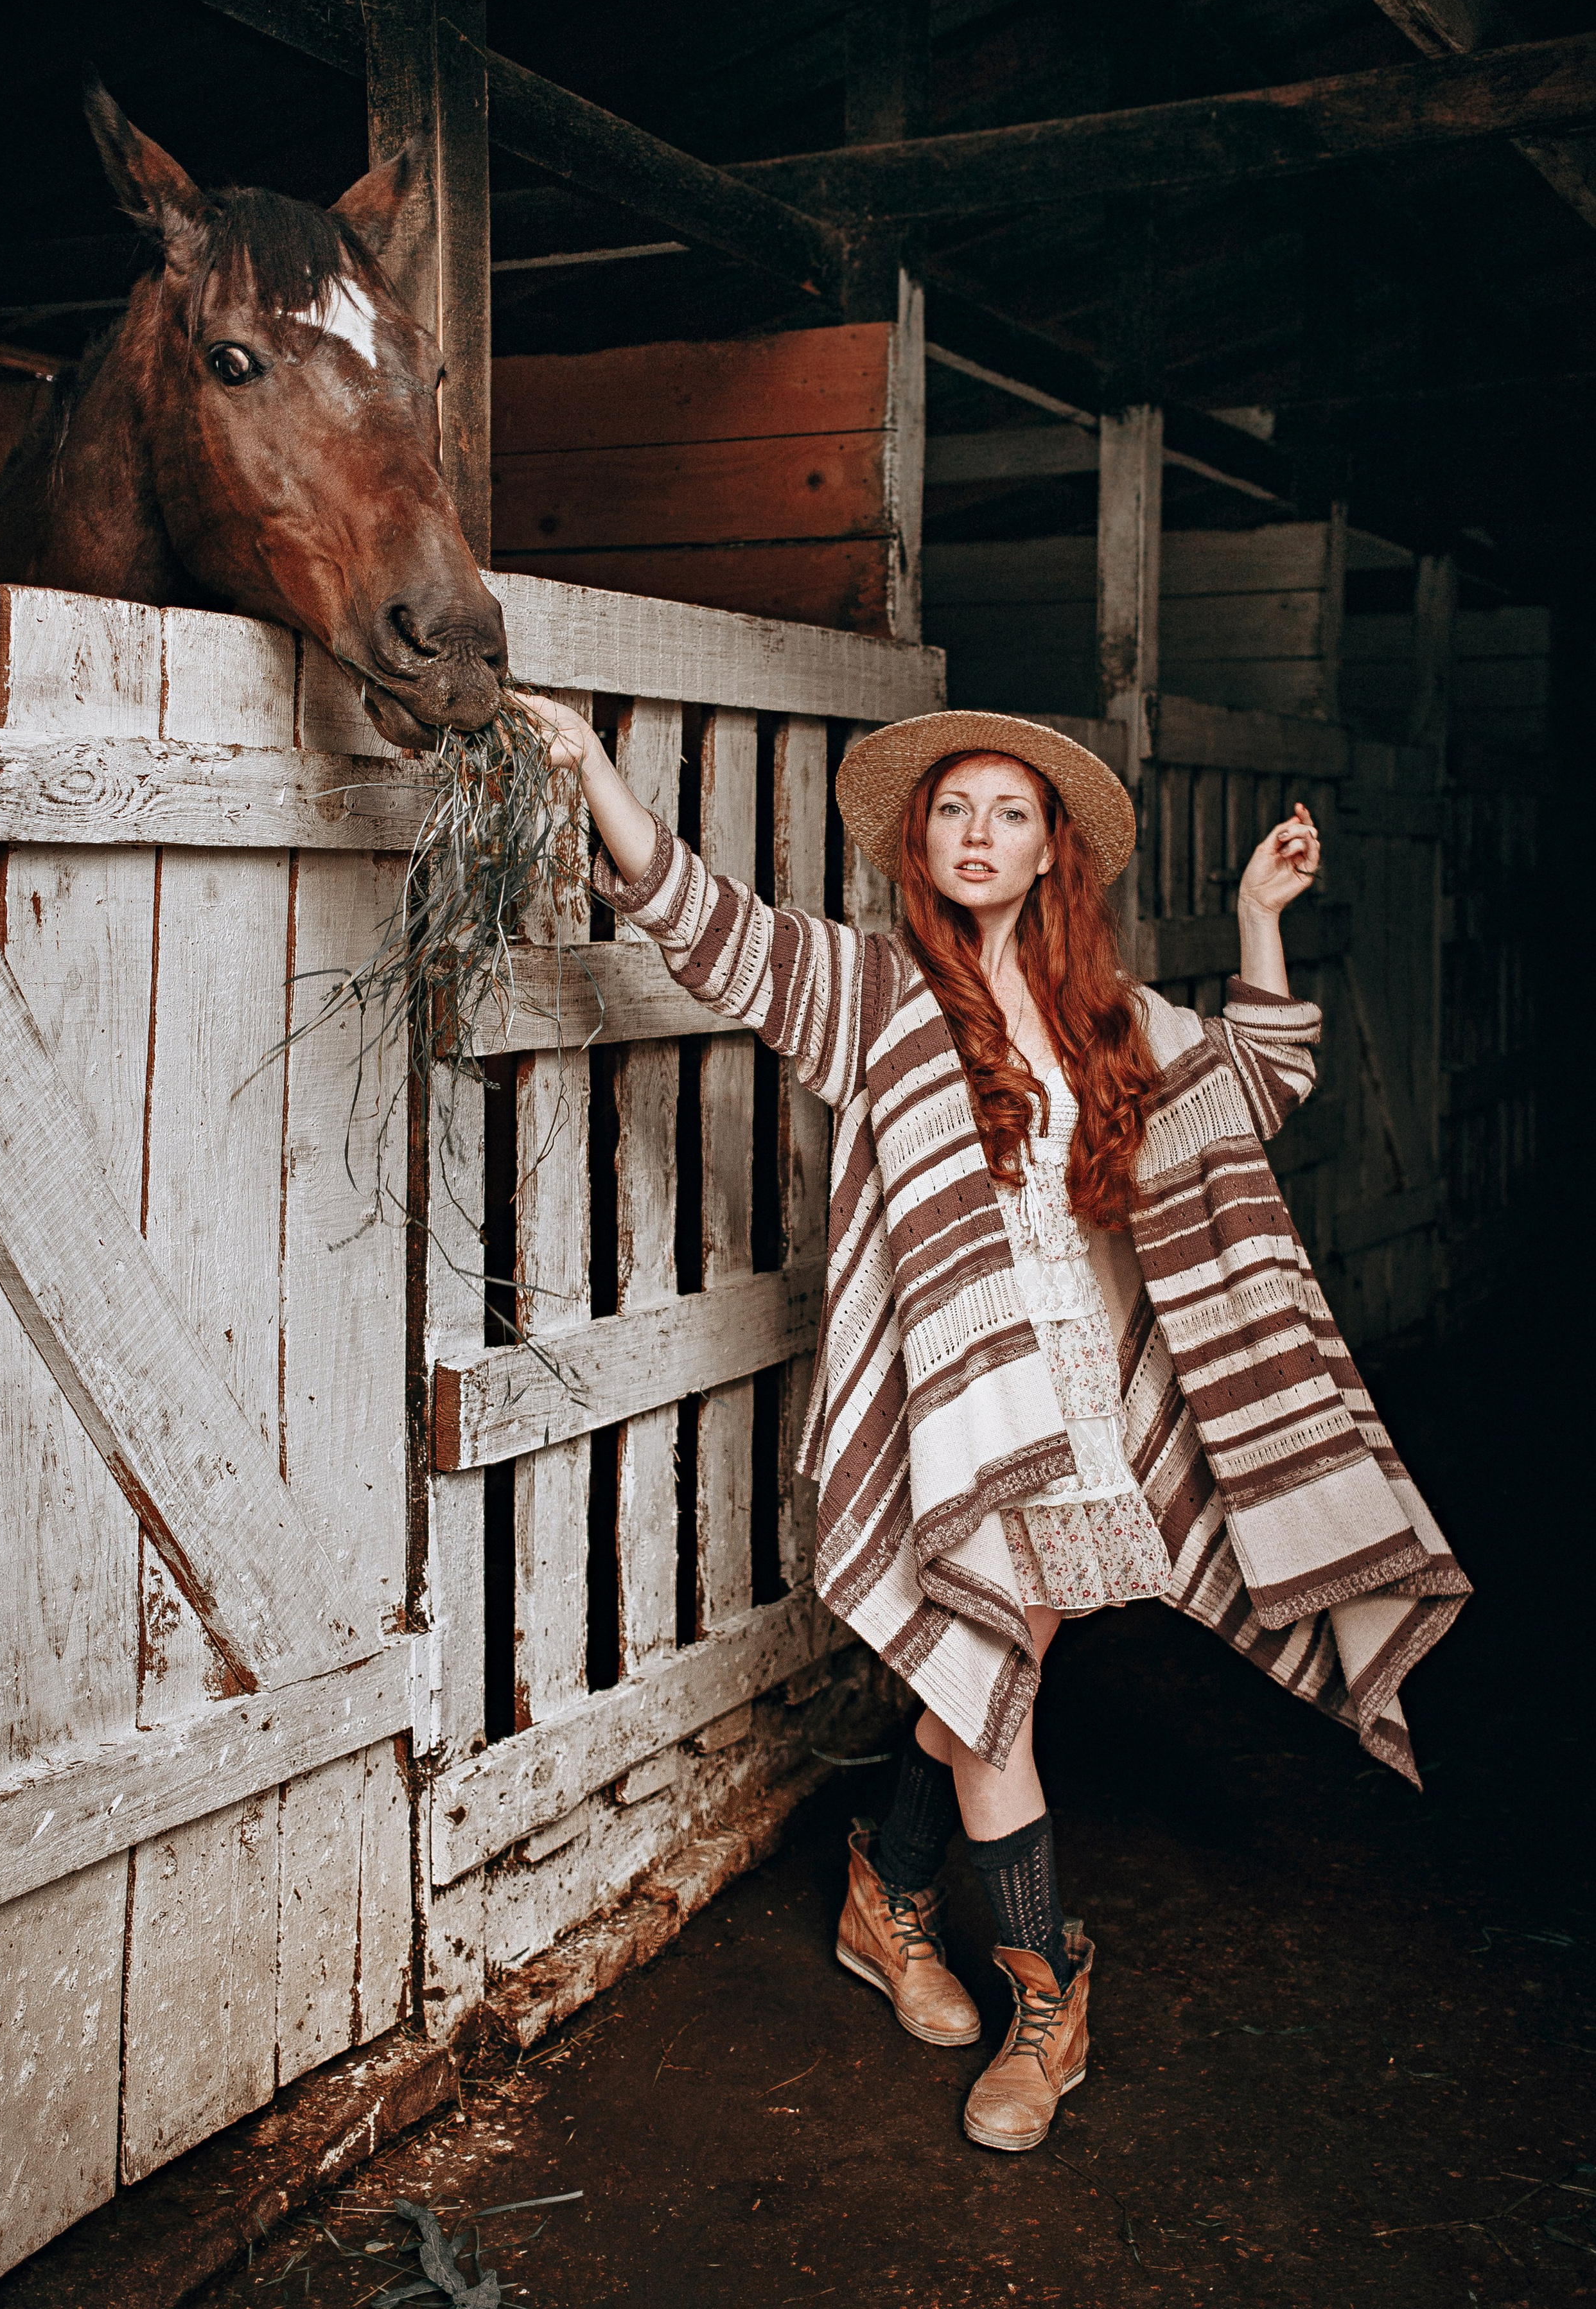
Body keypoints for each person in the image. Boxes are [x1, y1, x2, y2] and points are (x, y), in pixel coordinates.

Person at [514, 699, 1469, 2153]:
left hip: (1081, 1399)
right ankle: (1047, 2006)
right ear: (922, 840)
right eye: (953, 810)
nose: (976, 835)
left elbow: (1257, 1085)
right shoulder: (878, 994)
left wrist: (1254, 917)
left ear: (1049, 852)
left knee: (998, 1655)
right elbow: (709, 928)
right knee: (997, 1671)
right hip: (957, 1407)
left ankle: (884, 1900)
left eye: (1008, 814)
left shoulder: (1111, 1018)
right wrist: (595, 777)